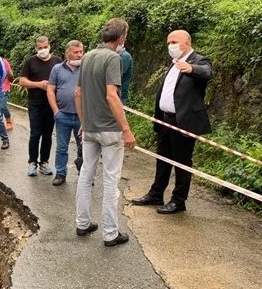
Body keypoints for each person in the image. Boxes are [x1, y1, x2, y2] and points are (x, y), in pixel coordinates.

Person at [131, 30, 213, 214]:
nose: (170, 46)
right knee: (162, 159)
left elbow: (207, 73)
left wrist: (191, 69)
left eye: (174, 42)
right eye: (168, 43)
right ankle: (156, 193)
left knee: (182, 162)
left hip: (183, 121)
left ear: (186, 43)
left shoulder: (200, 60)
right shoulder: (173, 63)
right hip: (165, 119)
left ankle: (178, 200)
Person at [75, 18, 136, 247]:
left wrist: (83, 121)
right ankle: (110, 233)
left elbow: (78, 93)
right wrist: (126, 129)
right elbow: (112, 95)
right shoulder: (113, 58)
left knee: (86, 175)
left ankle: (82, 223)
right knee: (110, 180)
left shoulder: (88, 56)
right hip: (110, 130)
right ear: (121, 38)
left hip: (89, 128)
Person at [19, 36, 62, 176]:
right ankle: (32, 162)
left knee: (48, 135)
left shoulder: (57, 61)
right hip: (35, 104)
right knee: (35, 133)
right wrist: (38, 84)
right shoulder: (30, 62)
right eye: (40, 48)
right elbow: (22, 81)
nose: (43, 50)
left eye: (45, 47)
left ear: (49, 45)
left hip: (52, 104)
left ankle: (44, 163)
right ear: (36, 48)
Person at [47, 40, 84, 186]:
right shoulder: (57, 69)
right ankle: (61, 173)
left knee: (84, 147)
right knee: (62, 147)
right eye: (75, 52)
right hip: (63, 115)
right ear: (67, 52)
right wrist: (56, 111)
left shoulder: (86, 68)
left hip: (82, 117)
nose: (79, 55)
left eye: (81, 51)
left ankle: (85, 175)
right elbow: (50, 90)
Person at [0, 58, 14, 131]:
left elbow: (11, 78)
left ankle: (9, 122)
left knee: (2, 106)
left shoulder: (7, 69)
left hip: (5, 90)